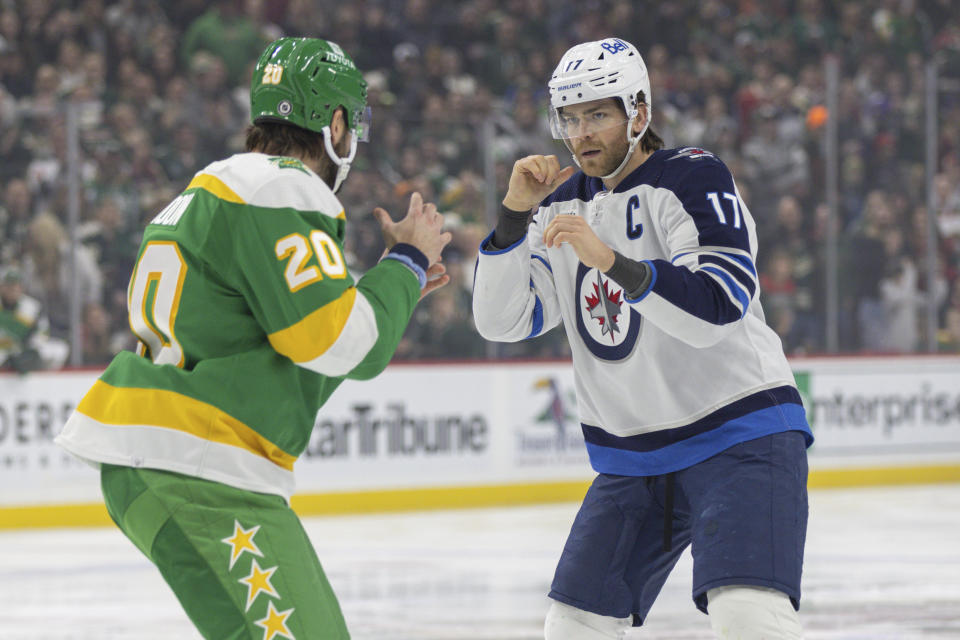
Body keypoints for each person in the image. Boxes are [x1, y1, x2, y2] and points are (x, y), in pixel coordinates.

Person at [56, 37, 450, 639]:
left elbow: (296, 356)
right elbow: (340, 345)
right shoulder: (283, 188)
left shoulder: (216, 189)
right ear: (335, 122)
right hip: (200, 470)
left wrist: (383, 300)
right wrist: (404, 265)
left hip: (177, 463)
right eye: (354, 125)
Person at [472, 37, 813, 639]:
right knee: (573, 626)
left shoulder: (694, 176)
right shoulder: (558, 206)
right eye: (570, 118)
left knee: (748, 618)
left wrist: (611, 262)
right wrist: (511, 217)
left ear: (639, 112)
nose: (581, 134)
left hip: (741, 436)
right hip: (634, 458)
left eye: (597, 114)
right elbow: (505, 321)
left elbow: (716, 307)